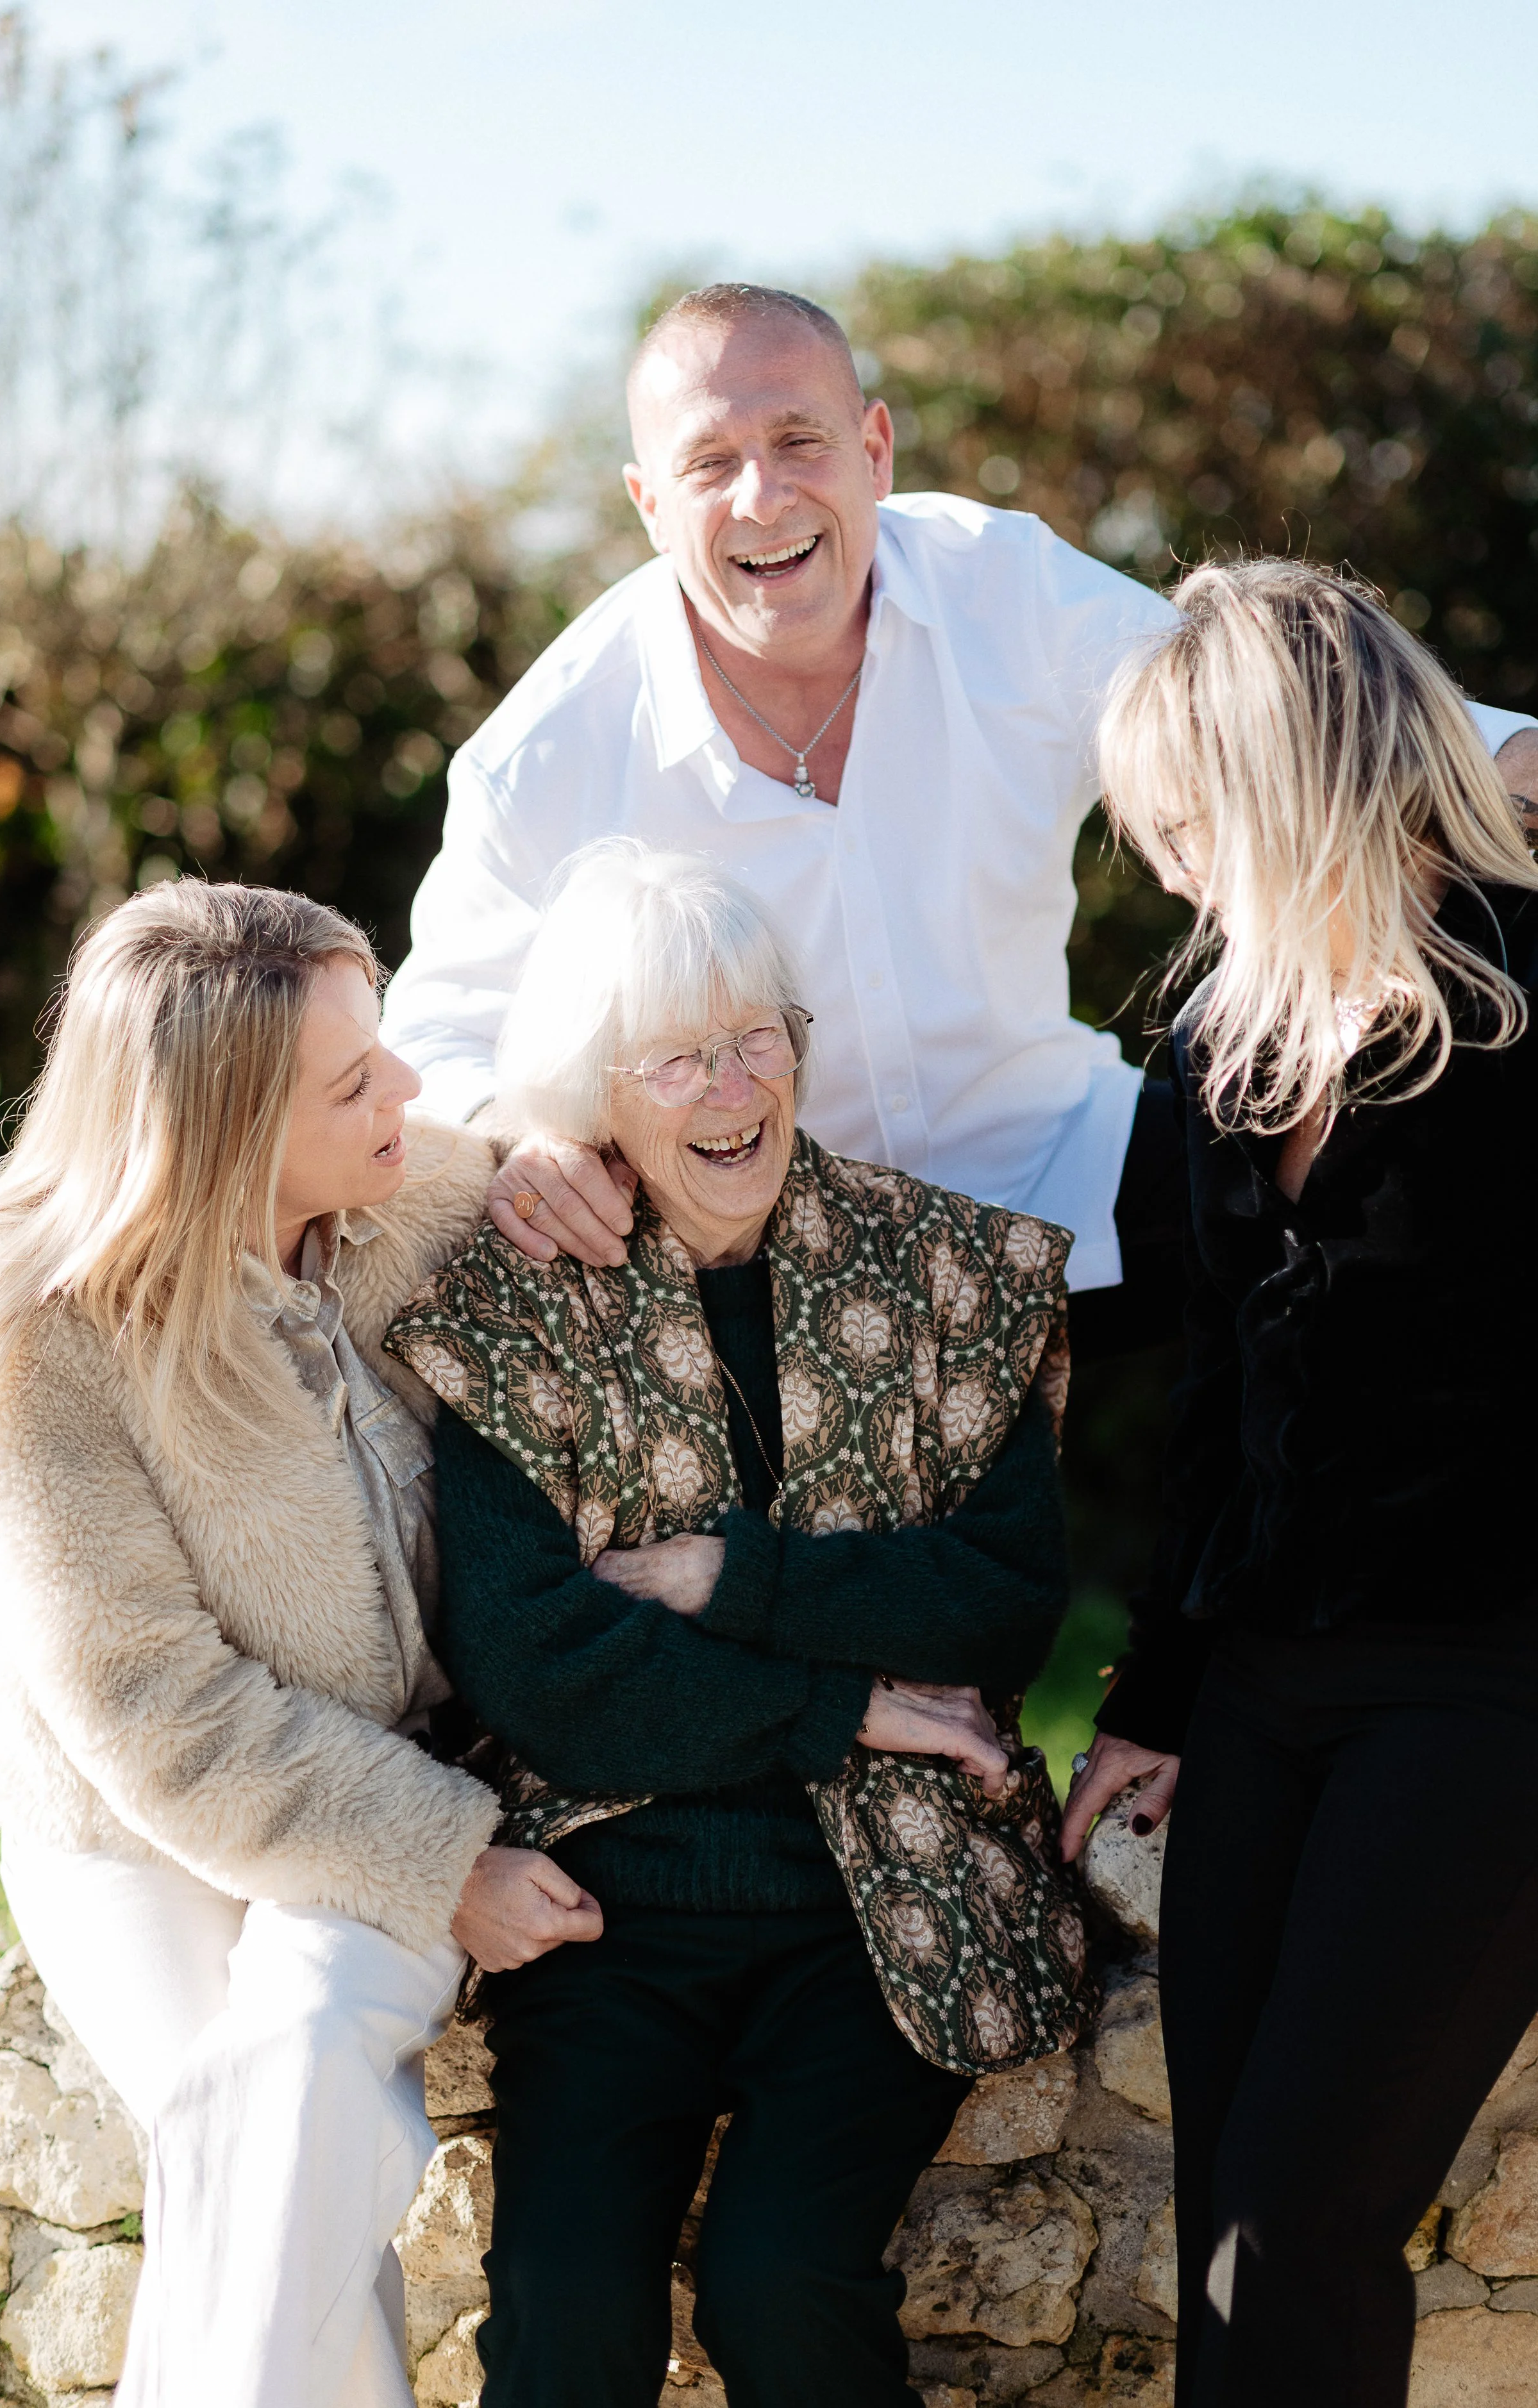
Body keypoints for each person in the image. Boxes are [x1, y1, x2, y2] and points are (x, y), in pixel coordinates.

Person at [378, 278, 1538, 1352]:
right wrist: (519, 1140)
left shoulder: (1004, 583)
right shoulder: (545, 751)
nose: (762, 495)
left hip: (1077, 1178)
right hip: (771, 1268)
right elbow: (432, 1036)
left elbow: (1273, 716)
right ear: (646, 503)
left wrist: (1507, 762)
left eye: (799, 440)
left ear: (874, 450)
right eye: (708, 463)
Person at [384, 840, 1087, 2408]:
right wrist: (840, 1704)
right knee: (567, 2324)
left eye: (756, 1036)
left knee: (785, 2292)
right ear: (593, 1093)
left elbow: (1003, 1604)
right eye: (680, 1056)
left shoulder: (950, 1276)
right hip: (609, 1906)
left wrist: (735, 1580)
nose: (731, 1088)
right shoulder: (523, 1308)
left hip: (887, 1903)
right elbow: (543, 1662)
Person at [0, 881, 604, 2408]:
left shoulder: (409, 1189)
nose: (408, 1092)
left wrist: (556, 1156)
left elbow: (523, 1158)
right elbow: (150, 1708)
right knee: (242, 2121)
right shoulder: (33, 1331)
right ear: (225, 1128)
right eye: (356, 1080)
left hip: (397, 1759)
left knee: (292, 2077)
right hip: (132, 1824)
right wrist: (447, 1864)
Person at [1058, 562, 1538, 2408]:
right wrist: (1159, 1692)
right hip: (1267, 1689)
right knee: (1223, 2235)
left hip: (1490, 1685)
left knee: (1295, 2218)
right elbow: (1219, 1403)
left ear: (1291, 782)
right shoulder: (1221, 1043)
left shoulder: (1522, 997)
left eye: (1185, 819)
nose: (1169, 865)